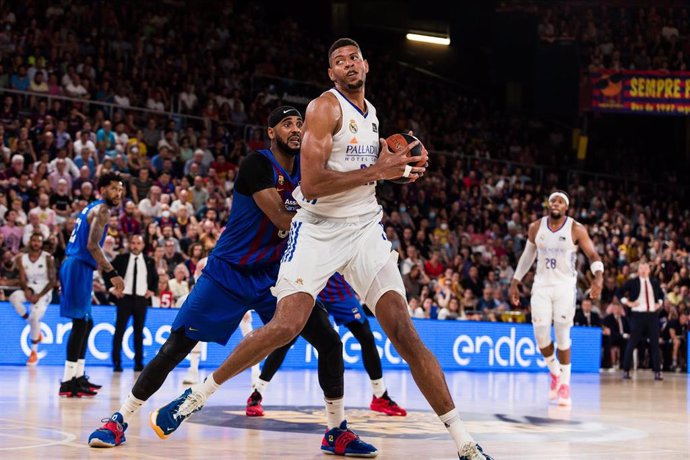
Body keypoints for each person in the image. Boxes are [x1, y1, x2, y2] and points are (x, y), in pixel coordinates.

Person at [155, 39, 491, 460]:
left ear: (366, 65)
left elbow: (371, 173)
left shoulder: (373, 118)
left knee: (403, 332)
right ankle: (196, 396)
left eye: (354, 58)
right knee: (286, 326)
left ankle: (463, 441)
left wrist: (398, 171)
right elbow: (311, 185)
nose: (348, 64)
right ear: (331, 74)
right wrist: (382, 170)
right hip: (316, 230)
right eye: (338, 61)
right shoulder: (323, 108)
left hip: (365, 228)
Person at [88, 106, 375, 456]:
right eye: (287, 124)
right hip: (229, 272)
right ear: (271, 132)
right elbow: (281, 217)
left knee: (330, 342)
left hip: (276, 276)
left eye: (300, 124)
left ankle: (336, 431)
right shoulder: (257, 164)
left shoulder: (310, 170)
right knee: (175, 347)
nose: (296, 129)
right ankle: (119, 419)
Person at [245, 273, 406, 417]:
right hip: (311, 282)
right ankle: (257, 393)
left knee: (366, 336)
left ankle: (379, 395)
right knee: (288, 338)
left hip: (336, 285)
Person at [509, 190, 603, 407]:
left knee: (562, 333)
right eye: (553, 200)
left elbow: (593, 255)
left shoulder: (576, 228)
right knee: (540, 335)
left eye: (560, 201)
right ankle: (554, 373)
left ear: (566, 207)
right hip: (541, 285)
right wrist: (515, 281)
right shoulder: (536, 227)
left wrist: (598, 278)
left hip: (564, 287)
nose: (556, 203)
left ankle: (565, 384)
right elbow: (527, 255)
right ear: (548, 204)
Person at [59, 172, 125, 397]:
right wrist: (113, 274)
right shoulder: (103, 210)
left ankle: (77, 376)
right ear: (103, 189)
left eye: (121, 189)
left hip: (77, 266)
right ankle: (67, 382)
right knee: (80, 324)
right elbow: (92, 246)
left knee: (86, 323)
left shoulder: (91, 208)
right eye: (115, 188)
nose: (119, 193)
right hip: (78, 265)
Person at [108, 234, 158, 372]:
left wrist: (152, 291)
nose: (136, 245)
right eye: (133, 243)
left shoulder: (149, 261)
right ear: (129, 244)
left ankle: (138, 362)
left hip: (141, 300)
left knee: (138, 332)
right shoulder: (121, 259)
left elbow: (155, 278)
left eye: (138, 243)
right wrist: (113, 289)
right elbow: (108, 273)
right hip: (124, 298)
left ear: (142, 245)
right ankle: (116, 362)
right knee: (119, 331)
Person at [10, 232, 56, 365]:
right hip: (30, 287)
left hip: (44, 291)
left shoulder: (48, 258)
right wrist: (27, 290)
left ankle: (34, 352)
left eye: (39, 241)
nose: (36, 243)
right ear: (29, 242)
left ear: (42, 244)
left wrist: (38, 295)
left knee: (35, 316)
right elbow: (22, 279)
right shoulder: (21, 258)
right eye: (34, 241)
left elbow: (52, 281)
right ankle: (32, 326)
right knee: (14, 297)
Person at [618, 262, 665, 380]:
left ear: (649, 270)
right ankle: (626, 370)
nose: (643, 270)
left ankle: (657, 372)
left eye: (646, 268)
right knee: (632, 342)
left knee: (655, 343)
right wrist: (628, 302)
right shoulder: (633, 282)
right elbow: (619, 292)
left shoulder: (654, 282)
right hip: (637, 315)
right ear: (638, 270)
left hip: (652, 315)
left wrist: (659, 304)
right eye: (641, 268)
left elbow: (661, 295)